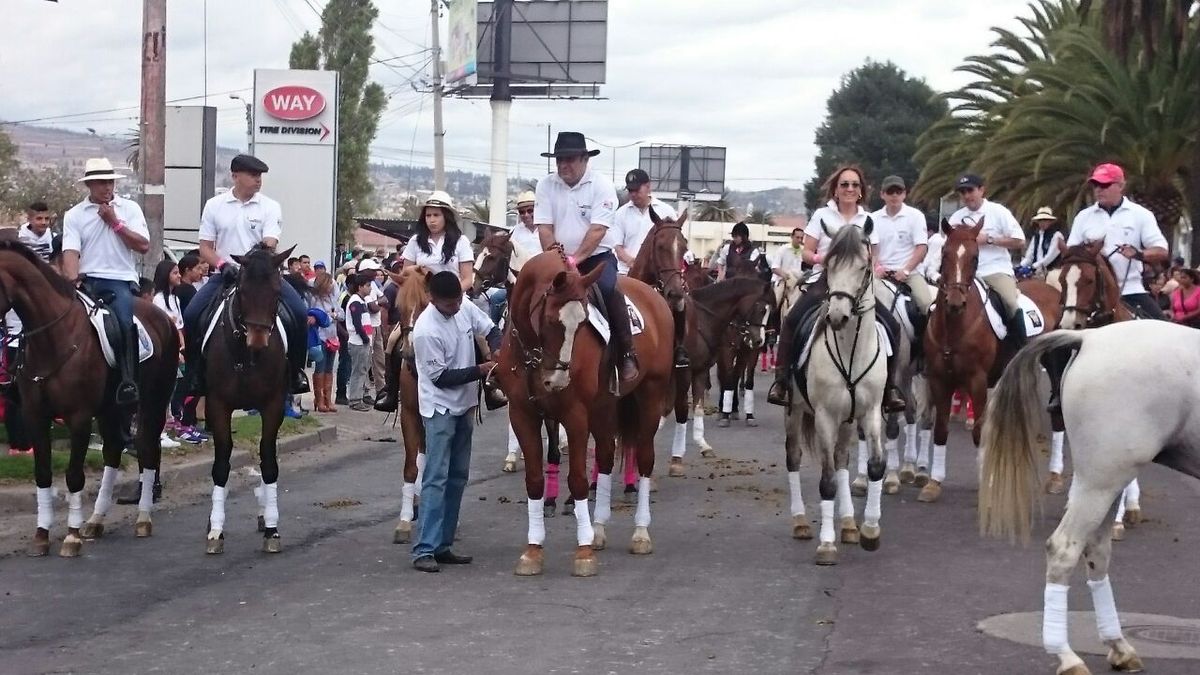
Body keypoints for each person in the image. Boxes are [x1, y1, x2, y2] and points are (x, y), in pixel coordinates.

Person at [767, 165, 906, 412]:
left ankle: (889, 389)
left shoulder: (868, 220)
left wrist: (873, 266)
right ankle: (782, 381)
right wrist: (824, 259)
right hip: (826, 281)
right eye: (844, 184)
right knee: (791, 320)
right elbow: (807, 252)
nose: (849, 189)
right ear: (836, 189)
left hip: (858, 285)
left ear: (861, 190)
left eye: (854, 185)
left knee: (893, 326)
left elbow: (873, 257)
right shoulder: (822, 215)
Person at [182, 154, 310, 396]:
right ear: (235, 176)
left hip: (261, 277)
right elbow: (205, 247)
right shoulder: (214, 205)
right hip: (226, 275)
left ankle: (295, 373)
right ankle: (195, 373)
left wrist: (254, 259)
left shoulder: (270, 206)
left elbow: (270, 242)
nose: (258, 180)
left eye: (260, 176)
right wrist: (222, 264)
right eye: (253, 175)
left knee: (300, 313)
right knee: (191, 314)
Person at [410, 271, 500, 573]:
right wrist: (482, 368)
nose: (456, 307)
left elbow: (490, 328)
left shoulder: (464, 307)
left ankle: (443, 544)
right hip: (439, 409)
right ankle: (423, 548)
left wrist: (497, 347)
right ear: (433, 300)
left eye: (459, 301)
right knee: (436, 476)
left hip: (465, 406)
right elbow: (441, 378)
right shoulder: (425, 330)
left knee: (459, 475)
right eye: (449, 304)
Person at [534, 132, 637, 385]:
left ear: (584, 159)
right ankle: (525, 355)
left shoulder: (601, 186)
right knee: (531, 293)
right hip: (556, 259)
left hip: (595, 258)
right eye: (559, 160)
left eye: (568, 159)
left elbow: (598, 230)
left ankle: (626, 353)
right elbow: (545, 227)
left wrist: (575, 259)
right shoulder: (545, 185)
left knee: (609, 289)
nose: (562, 165)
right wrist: (556, 256)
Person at [61, 158, 150, 406]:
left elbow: (143, 245)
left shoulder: (130, 209)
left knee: (123, 321)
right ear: (89, 184)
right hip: (87, 279)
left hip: (118, 279)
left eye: (109, 181)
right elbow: (71, 251)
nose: (107, 187)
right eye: (101, 182)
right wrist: (71, 278)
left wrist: (115, 223)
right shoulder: (75, 215)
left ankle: (128, 381)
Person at [1065, 163, 1169, 319]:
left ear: (1121, 186)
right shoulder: (1083, 217)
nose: (1099, 189)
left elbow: (1161, 250)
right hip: (1090, 296)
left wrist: (1138, 254)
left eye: (1105, 184)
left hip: (1130, 290)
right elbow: (1071, 252)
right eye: (1095, 185)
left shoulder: (1141, 214)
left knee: (1163, 330)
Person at [614, 168, 687, 367]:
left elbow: (675, 244)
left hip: (660, 274)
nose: (633, 194)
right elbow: (617, 246)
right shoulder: (621, 214)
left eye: (637, 189)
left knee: (680, 301)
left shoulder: (666, 211)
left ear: (648, 187)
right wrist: (633, 261)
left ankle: (680, 347)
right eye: (630, 190)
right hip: (626, 273)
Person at [948, 173, 1027, 344]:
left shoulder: (999, 212)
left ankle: (1020, 347)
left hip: (994, 271)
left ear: (982, 190)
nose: (967, 196)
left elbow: (1020, 241)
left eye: (970, 190)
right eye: (962, 192)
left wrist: (990, 239)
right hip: (963, 275)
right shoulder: (955, 218)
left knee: (1010, 303)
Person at [871, 175, 932, 314]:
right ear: (882, 194)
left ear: (904, 194)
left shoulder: (916, 216)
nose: (894, 195)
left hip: (909, 274)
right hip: (879, 273)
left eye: (898, 192)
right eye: (890, 192)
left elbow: (921, 248)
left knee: (927, 305)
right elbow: (869, 249)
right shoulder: (872, 218)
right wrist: (877, 268)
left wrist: (906, 270)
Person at [307, 262, 341, 412]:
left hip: (332, 336)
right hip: (319, 336)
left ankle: (328, 399)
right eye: (329, 285)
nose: (331, 287)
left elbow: (342, 314)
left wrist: (336, 315)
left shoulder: (333, 299)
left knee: (329, 369)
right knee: (320, 367)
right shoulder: (313, 300)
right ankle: (319, 399)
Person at [344, 274, 375, 412]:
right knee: (358, 371)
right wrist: (365, 338)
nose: (370, 288)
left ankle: (359, 397)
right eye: (367, 285)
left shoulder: (362, 301)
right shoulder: (355, 301)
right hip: (358, 342)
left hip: (362, 341)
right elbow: (357, 323)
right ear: (360, 287)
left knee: (362, 370)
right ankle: (355, 400)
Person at [1018, 207, 1064, 278]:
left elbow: (1049, 258)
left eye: (1045, 220)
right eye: (1040, 220)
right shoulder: (1036, 237)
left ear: (1050, 221)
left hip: (1052, 271)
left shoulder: (1057, 236)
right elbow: (1029, 256)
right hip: (1036, 272)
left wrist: (1033, 267)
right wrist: (1021, 266)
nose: (1042, 223)